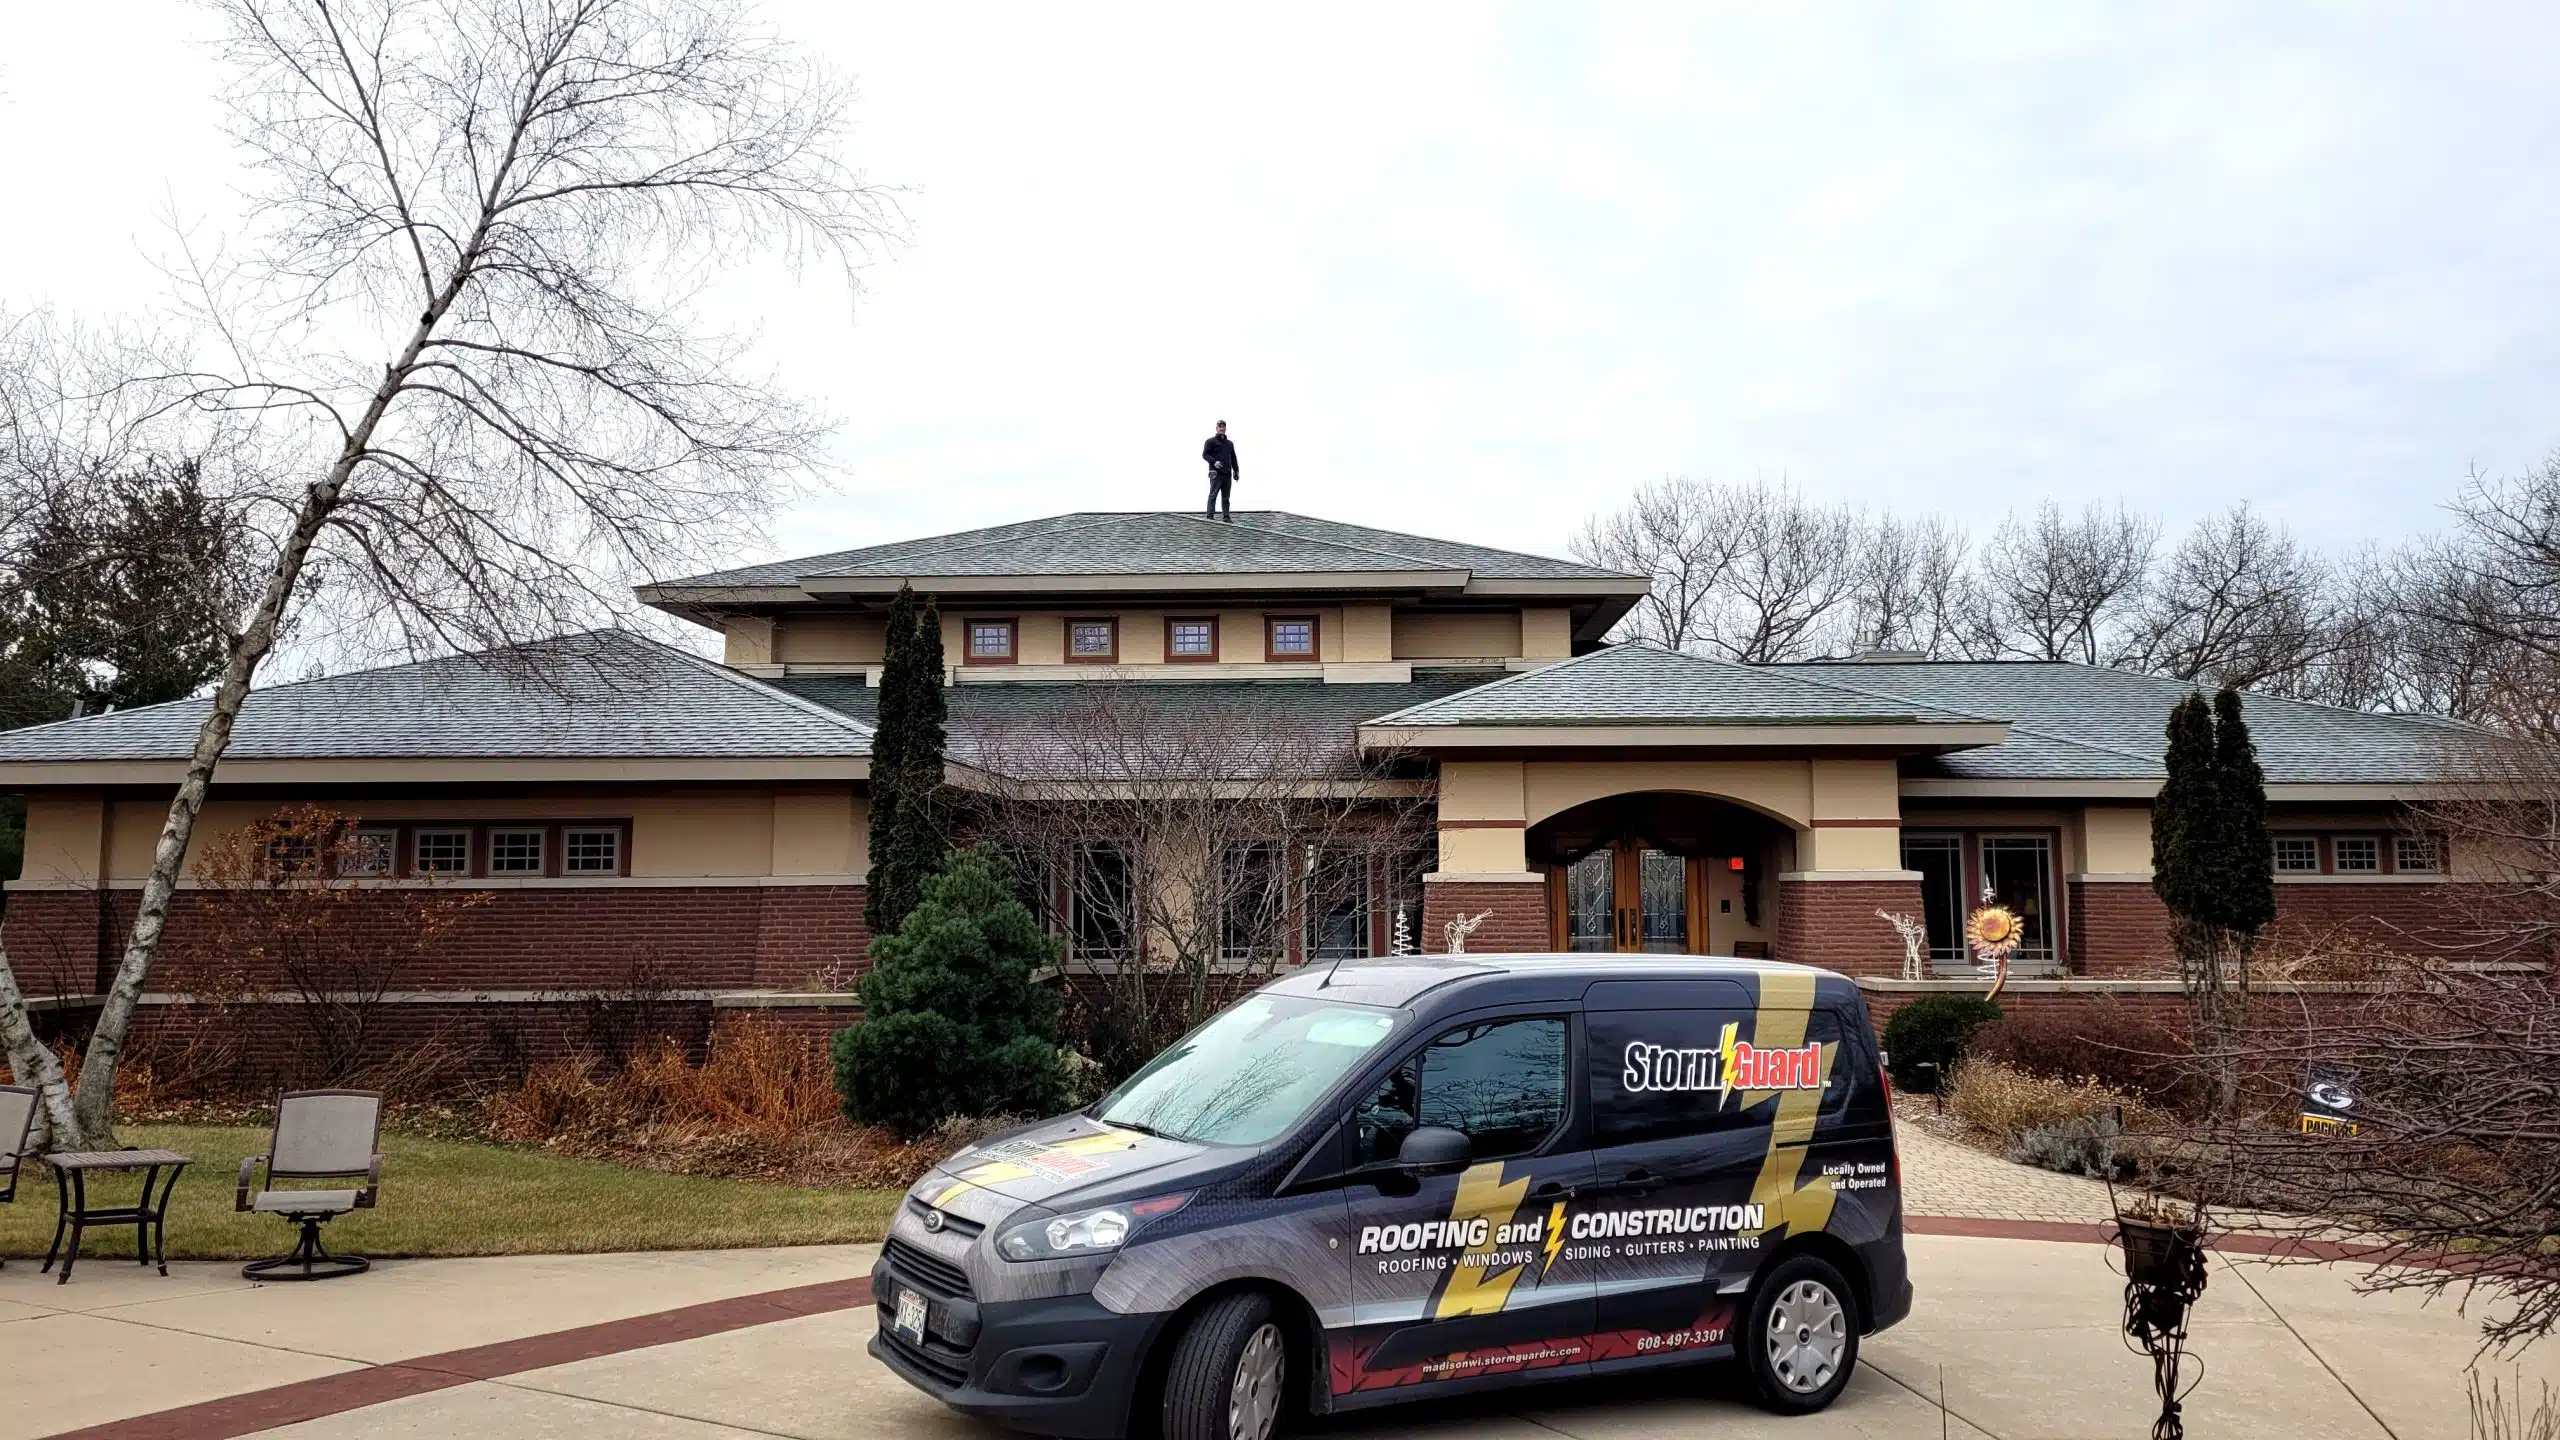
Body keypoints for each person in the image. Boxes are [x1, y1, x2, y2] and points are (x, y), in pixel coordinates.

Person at [1202, 421, 1238, 520]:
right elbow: (1205, 454)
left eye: (1223, 426)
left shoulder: (1229, 444)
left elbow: (1233, 457)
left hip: (1227, 474)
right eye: (1220, 426)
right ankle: (1210, 517)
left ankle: (1226, 516)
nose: (1222, 428)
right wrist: (1214, 462)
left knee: (1226, 498)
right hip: (1216, 473)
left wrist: (1236, 471)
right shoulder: (1210, 441)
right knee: (1213, 495)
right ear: (1216, 428)